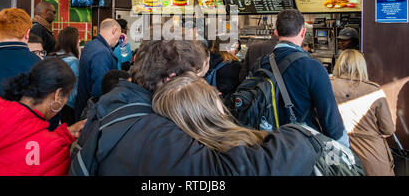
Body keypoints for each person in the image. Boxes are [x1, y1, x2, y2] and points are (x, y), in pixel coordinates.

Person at [69, 37, 321, 176]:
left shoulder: (113, 106)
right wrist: (300, 137)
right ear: (171, 80)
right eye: (197, 80)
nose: (202, 88)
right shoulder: (154, 131)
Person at [0, 58, 86, 176]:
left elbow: (20, 144)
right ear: (58, 95)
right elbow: (37, 150)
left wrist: (65, 134)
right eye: (66, 96)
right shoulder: (53, 153)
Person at [258, 9, 349, 146]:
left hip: (267, 146)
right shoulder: (313, 67)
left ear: (276, 33)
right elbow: (330, 119)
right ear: (303, 32)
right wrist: (345, 149)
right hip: (300, 148)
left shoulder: (260, 64)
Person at [153, 71, 270, 153]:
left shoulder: (178, 155)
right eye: (213, 93)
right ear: (209, 107)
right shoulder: (257, 144)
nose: (219, 94)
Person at [331, 49, 395, 176]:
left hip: (337, 153)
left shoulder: (326, 86)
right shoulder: (373, 90)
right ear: (361, 65)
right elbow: (388, 129)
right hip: (372, 156)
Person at [74, 18, 123, 120]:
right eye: (118, 37)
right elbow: (100, 90)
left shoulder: (92, 45)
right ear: (114, 31)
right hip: (93, 114)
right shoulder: (102, 54)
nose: (118, 40)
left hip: (83, 106)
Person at [49, 27, 80, 125]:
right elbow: (73, 90)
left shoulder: (50, 57)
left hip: (49, 104)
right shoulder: (73, 61)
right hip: (67, 107)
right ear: (73, 42)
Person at [206, 36, 242, 104]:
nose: (235, 51)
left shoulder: (206, 59)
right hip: (224, 102)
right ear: (227, 48)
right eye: (234, 47)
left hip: (206, 99)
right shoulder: (234, 65)